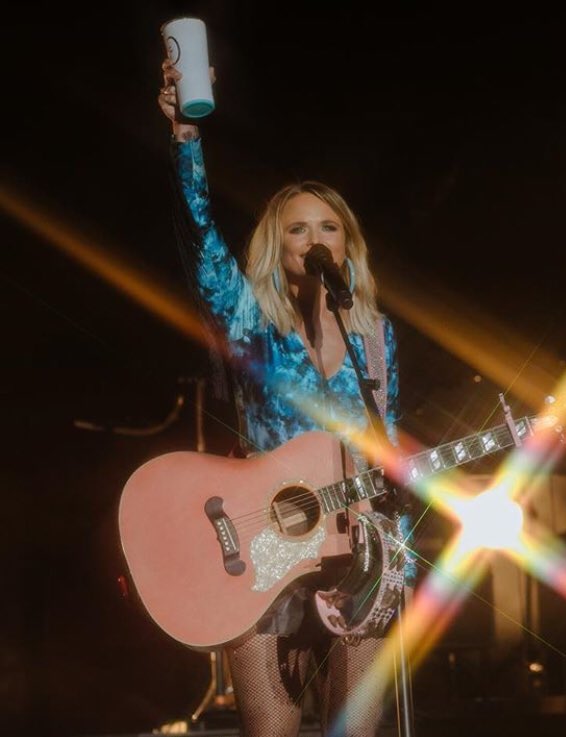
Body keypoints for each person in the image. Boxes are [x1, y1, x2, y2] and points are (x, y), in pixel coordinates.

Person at [158, 57, 415, 736]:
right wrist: (186, 137)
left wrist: (397, 564)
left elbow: (387, 447)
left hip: (355, 559)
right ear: (278, 244)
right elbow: (200, 241)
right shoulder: (250, 322)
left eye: (328, 227)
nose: (315, 240)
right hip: (266, 554)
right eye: (298, 229)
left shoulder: (375, 337)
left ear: (347, 245)